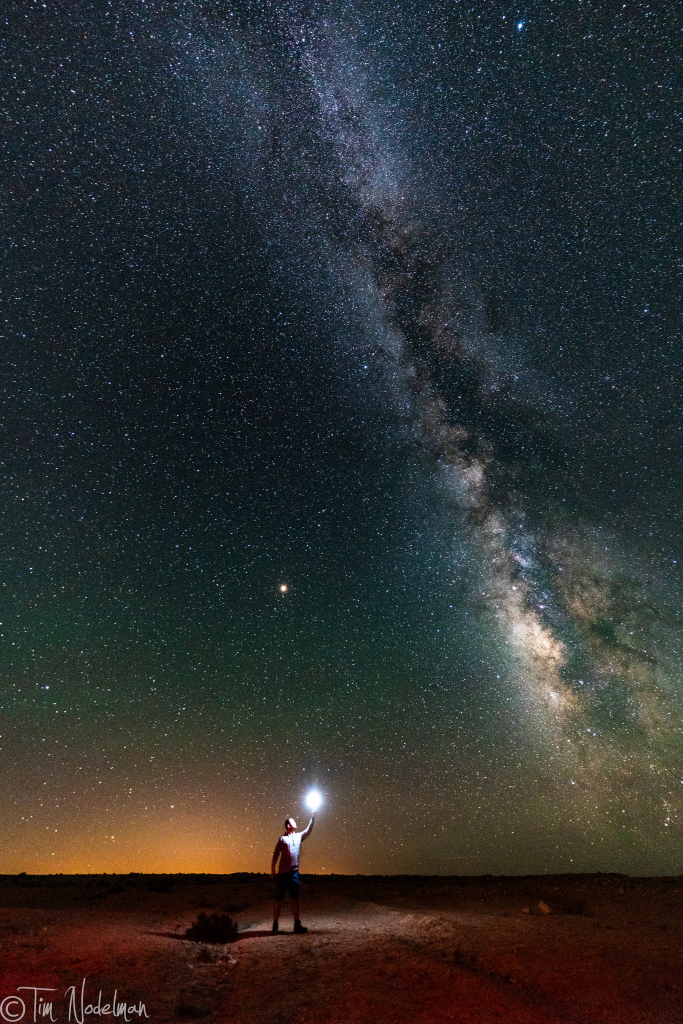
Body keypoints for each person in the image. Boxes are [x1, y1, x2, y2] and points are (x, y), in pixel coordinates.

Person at [270, 813, 315, 934]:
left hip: (294, 873)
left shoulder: (299, 836)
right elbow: (275, 855)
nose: (295, 822)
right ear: (288, 825)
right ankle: (275, 926)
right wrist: (273, 870)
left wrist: (312, 817)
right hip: (283, 874)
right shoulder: (282, 839)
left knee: (295, 899)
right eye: (293, 821)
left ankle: (297, 925)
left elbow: (308, 831)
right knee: (279, 899)